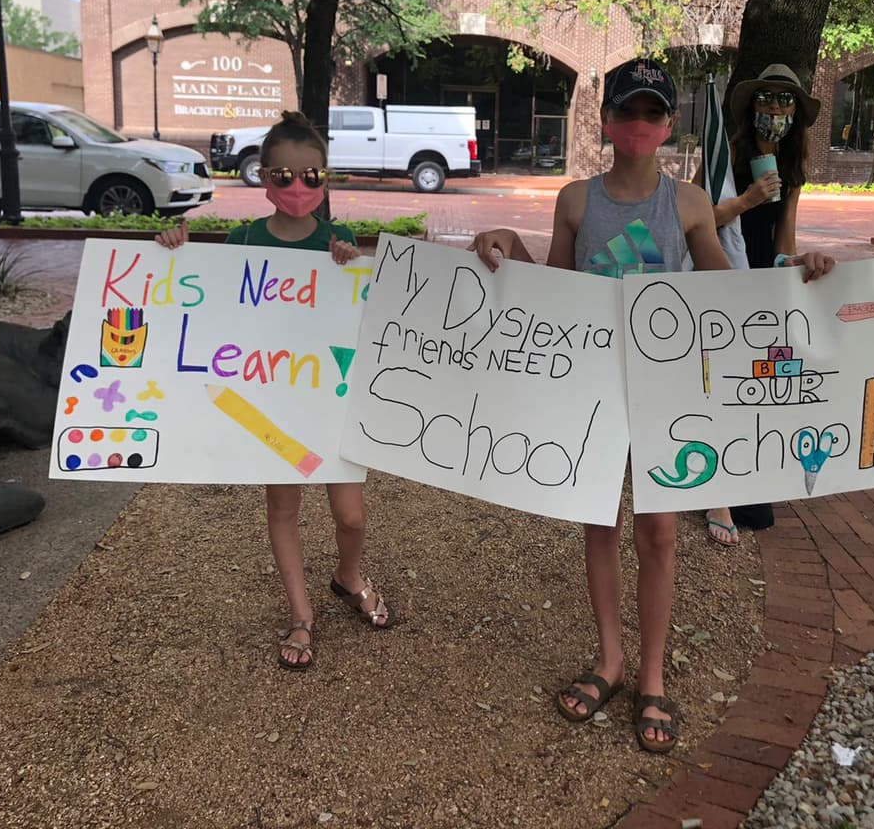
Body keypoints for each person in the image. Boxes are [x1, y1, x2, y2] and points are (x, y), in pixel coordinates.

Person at [469, 58, 833, 753]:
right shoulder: (575, 199)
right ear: (606, 121)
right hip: (595, 387)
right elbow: (558, 288)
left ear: (669, 125)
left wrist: (797, 269)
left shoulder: (691, 203)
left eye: (653, 113)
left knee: (660, 534)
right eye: (627, 111)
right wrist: (507, 244)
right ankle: (610, 660)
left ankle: (653, 674)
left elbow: (732, 291)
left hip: (666, 389)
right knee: (600, 526)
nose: (639, 124)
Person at [155, 110, 396, 670]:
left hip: (330, 402)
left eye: (311, 177)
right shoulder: (243, 240)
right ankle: (300, 614)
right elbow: (208, 304)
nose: (297, 187)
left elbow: (357, 314)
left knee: (352, 514)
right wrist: (174, 252)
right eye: (283, 176)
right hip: (270, 405)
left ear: (325, 179)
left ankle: (348, 575)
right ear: (263, 178)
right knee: (283, 509)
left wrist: (353, 263)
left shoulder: (339, 240)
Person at [695, 63, 824, 545]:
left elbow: (783, 242)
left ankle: (744, 469)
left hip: (761, 285)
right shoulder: (723, 154)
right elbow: (692, 220)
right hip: (719, 275)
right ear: (750, 107)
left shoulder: (790, 169)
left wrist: (798, 264)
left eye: (785, 101)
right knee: (720, 379)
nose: (775, 110)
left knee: (761, 380)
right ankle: (716, 491)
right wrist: (746, 200)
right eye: (766, 100)